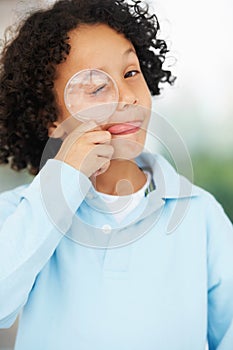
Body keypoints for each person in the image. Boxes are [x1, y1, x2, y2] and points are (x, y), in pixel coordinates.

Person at [0, 1, 232, 349]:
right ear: (50, 117)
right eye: (95, 87)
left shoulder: (201, 214)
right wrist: (62, 179)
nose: (126, 98)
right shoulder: (20, 214)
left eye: (130, 74)